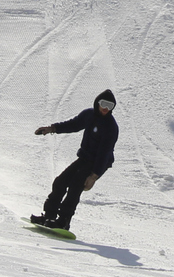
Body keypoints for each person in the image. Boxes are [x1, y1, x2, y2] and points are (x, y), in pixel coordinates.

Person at [30, 89, 119, 232]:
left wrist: (94, 176)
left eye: (110, 106)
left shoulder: (111, 127)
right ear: (97, 103)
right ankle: (49, 216)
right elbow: (73, 124)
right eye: (104, 104)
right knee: (60, 182)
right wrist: (52, 128)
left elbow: (105, 153)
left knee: (75, 187)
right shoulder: (89, 115)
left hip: (98, 163)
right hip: (84, 158)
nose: (106, 108)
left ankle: (63, 222)